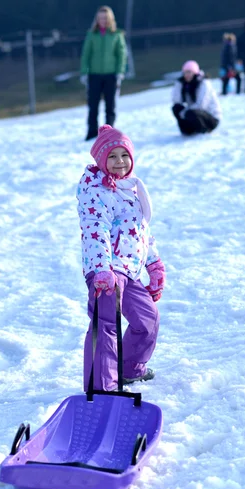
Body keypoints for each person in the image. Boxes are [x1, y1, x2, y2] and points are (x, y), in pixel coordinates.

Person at [77, 125, 166, 392]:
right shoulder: (95, 189)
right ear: (101, 160)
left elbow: (140, 230)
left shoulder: (131, 188)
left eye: (124, 155)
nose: (119, 163)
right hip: (106, 271)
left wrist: (154, 263)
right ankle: (102, 387)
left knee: (147, 319)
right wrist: (103, 269)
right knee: (106, 327)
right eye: (112, 157)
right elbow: (95, 230)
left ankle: (129, 368)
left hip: (129, 271)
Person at [80, 5, 127, 141]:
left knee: (110, 106)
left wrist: (120, 72)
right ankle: (92, 131)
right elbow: (86, 54)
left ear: (110, 19)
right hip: (94, 75)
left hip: (111, 75)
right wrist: (84, 72)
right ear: (97, 19)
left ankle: (108, 132)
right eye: (100, 18)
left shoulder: (117, 34)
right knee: (93, 105)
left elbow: (121, 55)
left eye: (105, 18)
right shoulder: (91, 35)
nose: (103, 20)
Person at [171, 60, 222, 136]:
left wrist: (185, 112)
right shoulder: (186, 85)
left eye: (189, 72)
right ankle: (188, 131)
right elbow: (177, 101)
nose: (186, 75)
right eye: (185, 73)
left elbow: (201, 105)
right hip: (195, 114)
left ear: (195, 72)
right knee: (176, 108)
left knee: (190, 112)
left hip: (212, 118)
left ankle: (204, 131)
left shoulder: (204, 83)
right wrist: (179, 84)